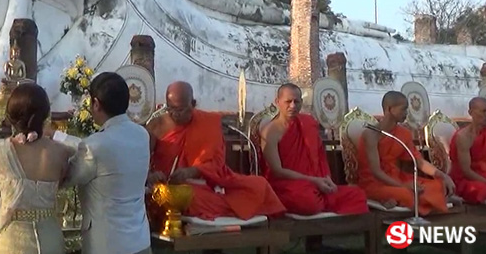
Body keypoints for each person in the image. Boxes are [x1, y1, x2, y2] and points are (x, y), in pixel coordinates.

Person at [147, 81, 286, 221]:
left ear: (193, 104)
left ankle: (234, 207)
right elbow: (140, 162)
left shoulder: (208, 123)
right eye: (171, 108)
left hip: (203, 183)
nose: (175, 114)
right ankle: (233, 208)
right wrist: (151, 175)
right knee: (188, 197)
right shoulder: (156, 126)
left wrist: (192, 171)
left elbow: (217, 164)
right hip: (170, 188)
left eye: (181, 109)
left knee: (258, 185)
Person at [47, 72, 152, 254]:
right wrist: (58, 136)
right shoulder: (142, 135)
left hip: (107, 244)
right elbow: (92, 147)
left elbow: (67, 178)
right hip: (139, 241)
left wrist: (52, 140)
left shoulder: (94, 146)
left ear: (96, 104)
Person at [0, 82, 72, 254]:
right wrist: (53, 134)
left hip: (9, 240)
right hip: (49, 239)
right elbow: (83, 150)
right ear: (46, 116)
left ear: (10, 115)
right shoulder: (62, 151)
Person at [260, 83, 369, 216]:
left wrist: (327, 180)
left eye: (297, 101)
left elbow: (320, 158)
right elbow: (277, 171)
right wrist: (314, 181)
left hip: (314, 183)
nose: (293, 106)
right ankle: (323, 202)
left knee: (357, 194)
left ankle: (323, 201)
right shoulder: (270, 132)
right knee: (307, 201)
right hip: (287, 185)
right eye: (288, 101)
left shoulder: (307, 123)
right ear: (277, 102)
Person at [357, 91, 457, 215]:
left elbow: (419, 162)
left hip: (396, 178)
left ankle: (395, 200)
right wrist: (403, 186)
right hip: (373, 183)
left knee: (437, 185)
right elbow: (376, 172)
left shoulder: (403, 133)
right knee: (406, 193)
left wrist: (443, 175)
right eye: (403, 109)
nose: (406, 113)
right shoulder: (371, 134)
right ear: (389, 109)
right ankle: (397, 199)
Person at [449, 97, 486, 204]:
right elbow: (466, 171)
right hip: (465, 180)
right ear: (471, 112)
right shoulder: (463, 136)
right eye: (483, 111)